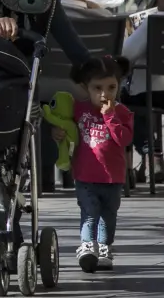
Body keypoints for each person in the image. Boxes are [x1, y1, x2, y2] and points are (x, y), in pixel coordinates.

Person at [50, 56, 133, 273]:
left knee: (109, 215)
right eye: (97, 88)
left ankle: (104, 247)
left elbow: (124, 139)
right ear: (85, 87)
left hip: (113, 177)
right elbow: (67, 128)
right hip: (85, 175)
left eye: (111, 87)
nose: (105, 94)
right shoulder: (79, 109)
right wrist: (57, 133)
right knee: (89, 211)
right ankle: (87, 246)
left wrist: (110, 117)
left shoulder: (122, 112)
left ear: (119, 85)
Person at [121, 0, 164, 184]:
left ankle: (147, 153)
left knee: (124, 98)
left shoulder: (155, 21)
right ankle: (153, 158)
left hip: (155, 94)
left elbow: (125, 54)